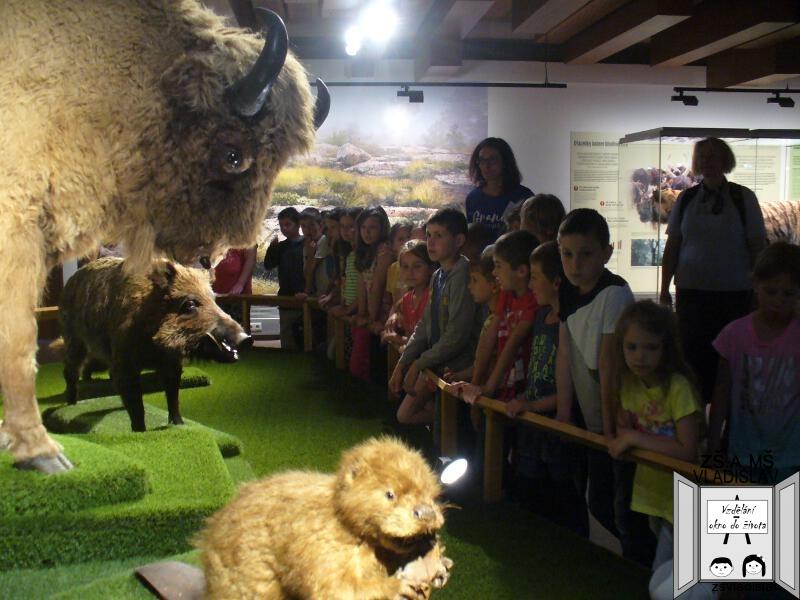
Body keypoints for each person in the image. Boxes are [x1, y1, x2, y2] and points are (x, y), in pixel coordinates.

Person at [556, 208, 655, 567]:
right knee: (600, 501)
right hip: (594, 418)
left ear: (606, 253)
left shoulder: (614, 294)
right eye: (567, 254)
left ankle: (644, 567)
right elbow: (565, 351)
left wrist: (611, 425)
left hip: (619, 417)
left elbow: (610, 362)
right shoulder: (567, 291)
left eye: (585, 254)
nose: (575, 264)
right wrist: (565, 412)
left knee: (624, 506)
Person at [660, 137, 767, 405]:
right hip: (692, 296)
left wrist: (760, 292)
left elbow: (757, 248)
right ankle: (694, 420)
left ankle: (729, 420)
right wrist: (663, 289)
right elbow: (673, 246)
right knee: (693, 361)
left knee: (730, 363)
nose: (707, 161)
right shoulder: (687, 199)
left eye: (713, 156)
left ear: (725, 160)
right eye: (702, 156)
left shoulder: (743, 198)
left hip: (735, 296)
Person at [607, 301, 703, 582]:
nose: (640, 357)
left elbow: (687, 451)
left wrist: (635, 437)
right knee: (666, 573)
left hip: (681, 497)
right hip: (652, 493)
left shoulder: (678, 388)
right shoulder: (629, 383)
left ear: (665, 348)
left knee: (665, 578)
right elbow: (625, 432)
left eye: (651, 347)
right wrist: (625, 433)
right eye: (632, 347)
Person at [505, 241, 588, 537]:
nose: (530, 284)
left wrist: (531, 405)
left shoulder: (572, 321)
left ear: (555, 282)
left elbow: (573, 387)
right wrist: (526, 399)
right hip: (534, 423)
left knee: (564, 497)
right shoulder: (542, 317)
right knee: (532, 492)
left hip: (555, 425)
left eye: (535, 277)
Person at [708, 242, 800, 483]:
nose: (779, 300)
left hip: (790, 455)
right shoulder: (734, 335)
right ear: (756, 285)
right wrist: (713, 443)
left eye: (788, 293)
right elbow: (721, 392)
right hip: (743, 452)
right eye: (771, 291)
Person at [390, 208, 482, 425]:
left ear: (459, 240)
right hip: (441, 364)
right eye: (429, 235)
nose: (430, 242)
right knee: (442, 429)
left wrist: (419, 363)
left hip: (460, 368)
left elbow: (457, 335)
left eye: (439, 235)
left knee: (457, 431)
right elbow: (425, 324)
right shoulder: (439, 275)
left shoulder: (462, 276)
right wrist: (403, 362)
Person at [350, 206, 392, 381]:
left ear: (382, 229)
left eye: (372, 227)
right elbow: (362, 285)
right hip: (370, 308)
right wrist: (361, 313)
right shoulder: (364, 251)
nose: (367, 232)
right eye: (363, 227)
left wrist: (372, 318)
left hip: (383, 309)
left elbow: (378, 285)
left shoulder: (384, 250)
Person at [465, 137, 533, 241]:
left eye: (492, 160)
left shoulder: (523, 198)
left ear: (505, 162)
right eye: (482, 160)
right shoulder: (473, 198)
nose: (486, 166)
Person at [264, 207, 305, 350]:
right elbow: (268, 265)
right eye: (281, 225)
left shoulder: (307, 244)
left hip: (304, 296)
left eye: (288, 224)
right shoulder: (281, 247)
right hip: (285, 298)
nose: (284, 228)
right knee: (287, 337)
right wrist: (272, 248)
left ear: (298, 224)